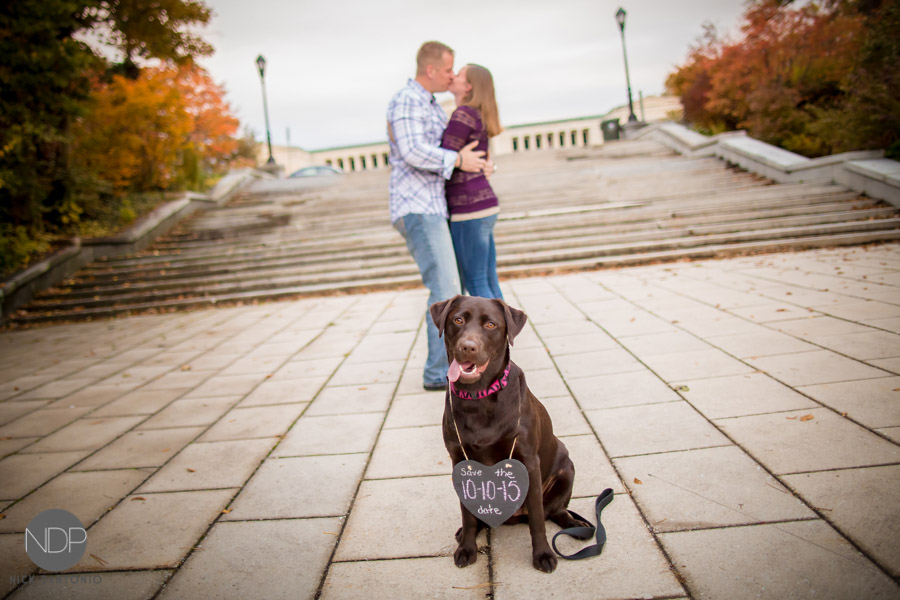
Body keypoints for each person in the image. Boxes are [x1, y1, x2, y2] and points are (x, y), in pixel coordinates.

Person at [387, 41, 487, 391]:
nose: (451, 76)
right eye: (448, 70)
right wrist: (459, 160)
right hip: (417, 207)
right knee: (446, 292)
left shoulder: (428, 103)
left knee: (450, 291)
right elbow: (413, 150)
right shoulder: (406, 100)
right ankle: (438, 374)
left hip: (433, 206)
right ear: (430, 69)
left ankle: (446, 370)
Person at [440, 64, 503, 300]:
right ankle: (503, 336)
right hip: (484, 206)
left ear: (467, 86)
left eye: (458, 74)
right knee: (488, 279)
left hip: (469, 209)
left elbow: (443, 158)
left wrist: (455, 158)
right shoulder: (478, 115)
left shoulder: (463, 114)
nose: (452, 76)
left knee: (477, 283)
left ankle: (493, 337)